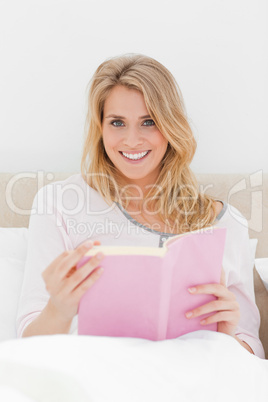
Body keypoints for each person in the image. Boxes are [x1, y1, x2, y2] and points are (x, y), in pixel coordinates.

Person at [16, 53, 265, 359]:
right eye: (117, 122)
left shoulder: (226, 224)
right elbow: (26, 348)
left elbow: (252, 352)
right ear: (100, 128)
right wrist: (59, 308)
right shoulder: (58, 204)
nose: (132, 140)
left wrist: (227, 336)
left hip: (194, 381)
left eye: (149, 122)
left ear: (171, 126)